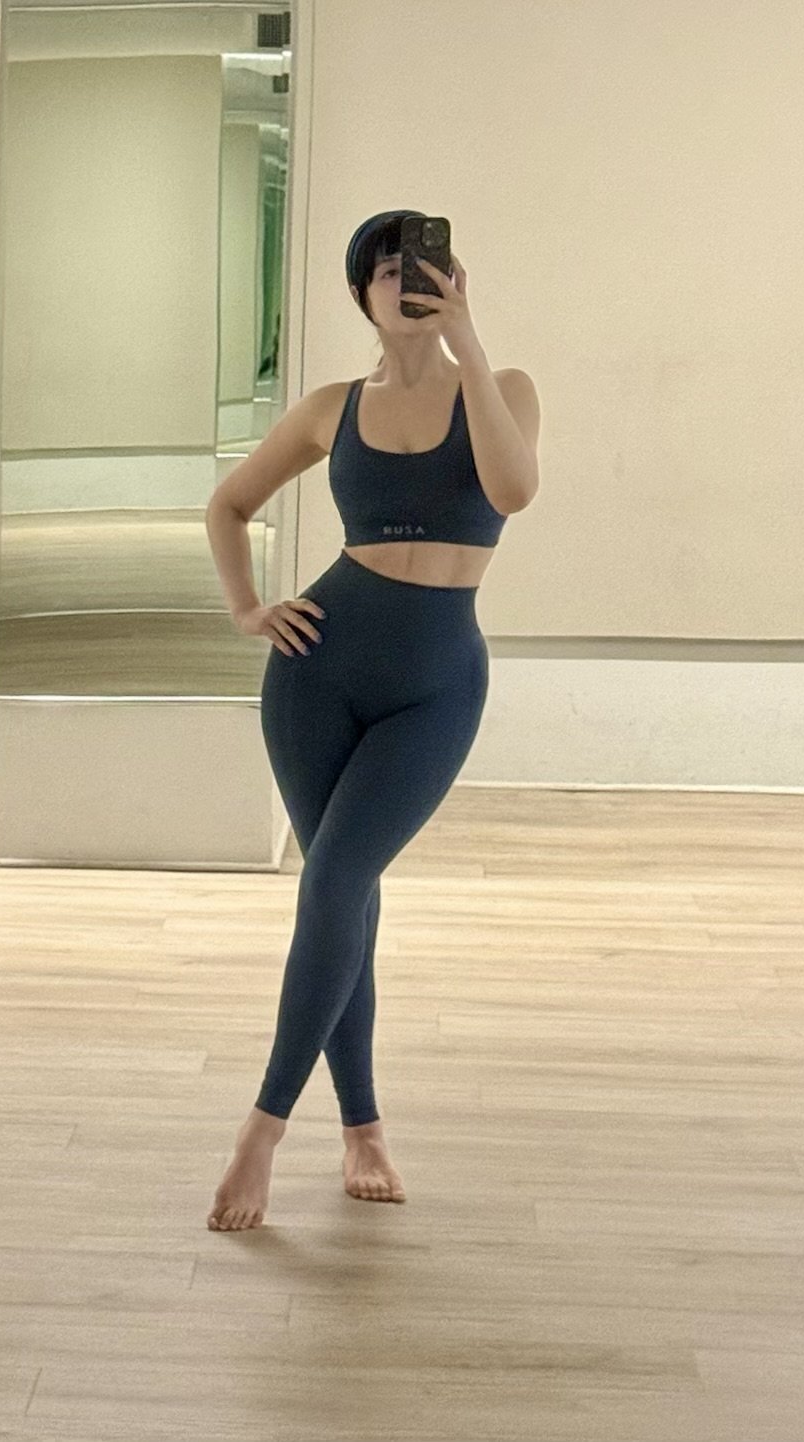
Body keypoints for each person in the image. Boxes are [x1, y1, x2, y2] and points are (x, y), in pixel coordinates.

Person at [203, 210, 541, 1231]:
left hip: (436, 683)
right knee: (338, 891)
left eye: (426, 265)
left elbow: (513, 491)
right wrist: (249, 609)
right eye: (388, 270)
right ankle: (361, 1129)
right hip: (316, 671)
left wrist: (466, 340)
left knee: (339, 881)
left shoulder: (503, 387)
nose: (409, 282)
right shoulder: (329, 409)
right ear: (362, 295)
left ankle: (260, 1131)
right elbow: (228, 505)